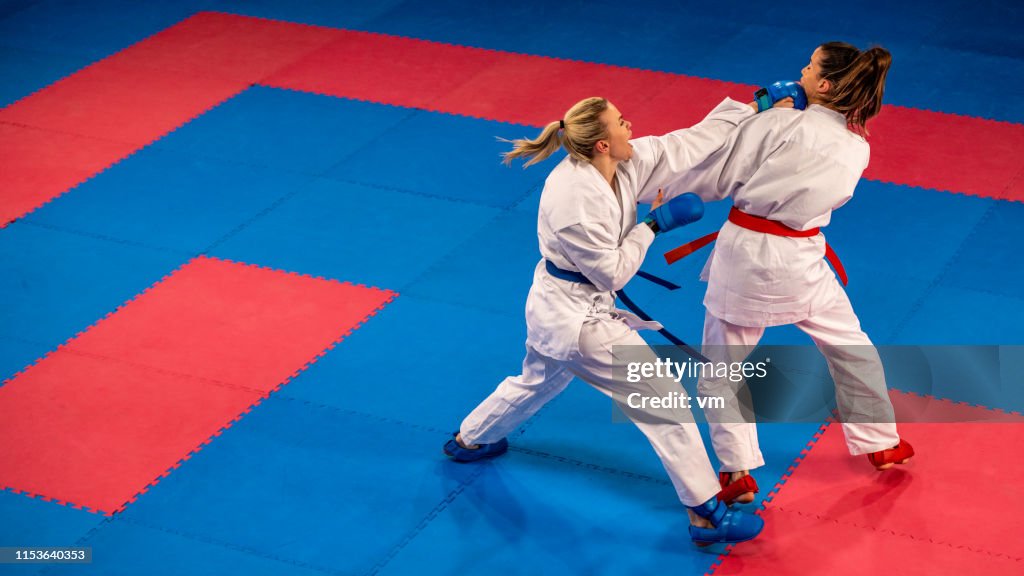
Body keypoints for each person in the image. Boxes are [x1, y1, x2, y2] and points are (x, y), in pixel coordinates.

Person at [443, 93, 779, 545]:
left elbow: (688, 143)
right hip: (577, 320)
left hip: (558, 307)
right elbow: (614, 272)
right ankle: (706, 514)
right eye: (621, 123)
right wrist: (653, 225)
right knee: (665, 402)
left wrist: (756, 106)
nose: (630, 126)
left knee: (538, 381)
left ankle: (470, 440)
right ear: (602, 143)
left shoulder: (624, 165)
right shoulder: (574, 201)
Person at [666, 42, 914, 506]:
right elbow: (833, 199)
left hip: (747, 258)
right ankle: (882, 441)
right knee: (851, 346)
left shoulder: (775, 122)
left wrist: (757, 113)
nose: (798, 70)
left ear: (822, 84)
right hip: (803, 258)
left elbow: (718, 177)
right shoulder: (856, 146)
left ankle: (736, 471)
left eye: (808, 66)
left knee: (721, 368)